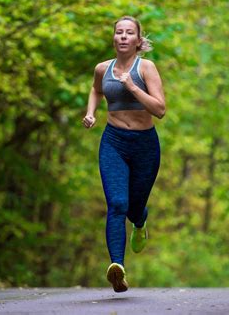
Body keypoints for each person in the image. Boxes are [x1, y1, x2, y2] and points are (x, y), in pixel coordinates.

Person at [82, 16, 166, 293]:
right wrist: (91, 113)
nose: (123, 37)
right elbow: (96, 90)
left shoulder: (147, 68)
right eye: (119, 32)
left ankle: (140, 223)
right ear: (114, 38)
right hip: (114, 141)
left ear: (138, 41)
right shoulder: (102, 69)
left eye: (129, 33)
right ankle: (117, 267)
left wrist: (131, 86)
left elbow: (160, 109)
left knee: (133, 207)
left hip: (145, 145)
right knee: (117, 203)